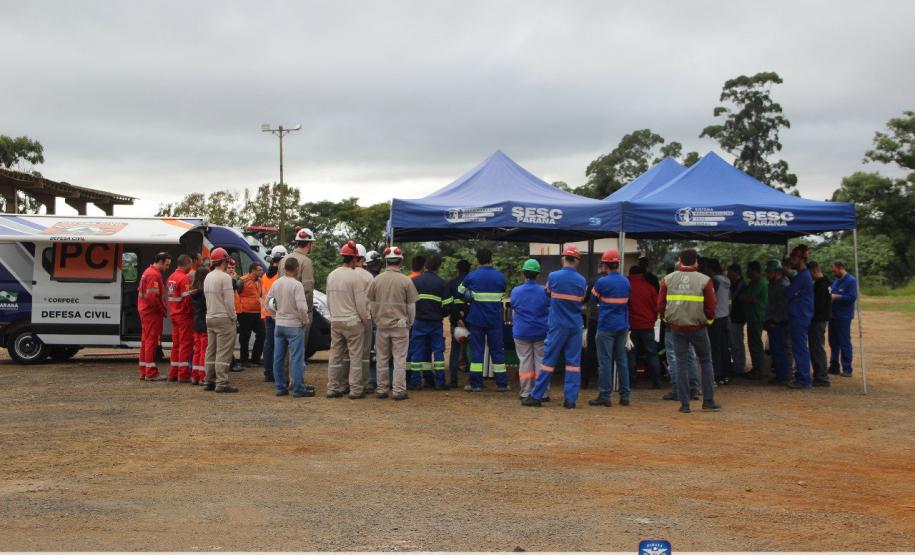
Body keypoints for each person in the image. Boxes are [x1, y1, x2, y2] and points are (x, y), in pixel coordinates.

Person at [658, 248, 721, 413]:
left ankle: (684, 404)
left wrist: (667, 320)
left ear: (679, 260)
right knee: (705, 361)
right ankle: (708, 401)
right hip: (698, 327)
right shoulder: (705, 280)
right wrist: (708, 321)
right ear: (696, 262)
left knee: (680, 364)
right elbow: (711, 305)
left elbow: (660, 305)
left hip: (676, 328)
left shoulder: (667, 279)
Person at [525, 246, 587, 409]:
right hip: (575, 325)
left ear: (563, 259)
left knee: (548, 361)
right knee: (573, 363)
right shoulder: (582, 280)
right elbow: (582, 299)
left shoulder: (553, 276)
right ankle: (570, 400)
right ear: (577, 261)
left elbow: (547, 292)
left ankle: (536, 396)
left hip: (558, 325)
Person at [367, 246, 418, 401]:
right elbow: (411, 307)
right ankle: (398, 391)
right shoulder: (406, 281)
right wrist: (410, 323)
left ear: (387, 261)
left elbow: (370, 303)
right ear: (400, 261)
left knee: (381, 358)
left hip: (382, 325)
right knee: (399, 359)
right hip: (401, 326)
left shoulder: (376, 280)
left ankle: (382, 389)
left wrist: (376, 319)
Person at [325, 240, 370, 399]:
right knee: (355, 357)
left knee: (335, 356)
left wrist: (333, 316)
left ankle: (333, 387)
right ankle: (356, 390)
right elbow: (361, 305)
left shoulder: (332, 275)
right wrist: (365, 322)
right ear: (354, 259)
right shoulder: (355, 277)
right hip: (352, 322)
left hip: (335, 320)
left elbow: (329, 299)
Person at [459, 249, 508, 393]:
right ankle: (502, 384)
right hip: (495, 320)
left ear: (477, 261)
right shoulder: (500, 276)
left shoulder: (472, 276)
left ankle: (476, 384)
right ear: (491, 259)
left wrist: (470, 295)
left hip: (477, 319)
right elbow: (502, 292)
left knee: (477, 351)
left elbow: (460, 291)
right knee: (497, 350)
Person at [266, 256, 314, 398]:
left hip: (279, 325)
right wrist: (304, 320)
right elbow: (301, 306)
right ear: (297, 268)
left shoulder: (277, 283)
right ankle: (298, 388)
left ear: (285, 268)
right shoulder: (297, 285)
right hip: (294, 325)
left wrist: (275, 316)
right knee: (297, 358)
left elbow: (267, 302)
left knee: (278, 357)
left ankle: (280, 387)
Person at [588, 249, 631, 407]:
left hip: (606, 326)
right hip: (622, 326)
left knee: (605, 362)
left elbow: (593, 300)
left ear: (605, 264)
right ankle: (625, 396)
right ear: (618, 264)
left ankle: (605, 396)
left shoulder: (602, 282)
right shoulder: (626, 282)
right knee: (622, 361)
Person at [408, 253, 451, 390]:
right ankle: (440, 382)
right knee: (438, 352)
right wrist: (439, 314)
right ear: (438, 267)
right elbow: (448, 306)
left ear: (425, 266)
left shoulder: (415, 281)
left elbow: (408, 303)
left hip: (418, 322)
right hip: (435, 323)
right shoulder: (442, 283)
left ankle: (415, 382)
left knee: (417, 351)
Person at [509, 259, 550, 402]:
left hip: (522, 332)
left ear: (523, 273)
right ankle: (542, 393)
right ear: (538, 275)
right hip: (541, 332)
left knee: (525, 361)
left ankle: (525, 392)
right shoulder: (544, 291)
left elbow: (513, 307)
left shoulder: (516, 291)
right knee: (541, 361)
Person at [202, 248, 238, 393]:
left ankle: (208, 380)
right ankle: (222, 382)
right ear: (224, 260)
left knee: (211, 350)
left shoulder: (208, 277)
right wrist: (233, 317)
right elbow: (229, 302)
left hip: (210, 317)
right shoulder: (225, 278)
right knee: (223, 351)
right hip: (223, 318)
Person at [627, 264, 662, 389]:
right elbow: (657, 307)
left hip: (631, 326)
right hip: (647, 325)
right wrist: (652, 318)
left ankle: (632, 382)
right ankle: (657, 381)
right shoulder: (650, 288)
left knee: (631, 353)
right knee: (652, 353)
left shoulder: (626, 287)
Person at [784, 246, 815, 389]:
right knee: (799, 347)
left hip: (800, 315)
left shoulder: (802, 276)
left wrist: (792, 294)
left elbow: (788, 292)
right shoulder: (802, 275)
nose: (791, 261)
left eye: (793, 258)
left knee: (800, 348)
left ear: (801, 259)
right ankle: (802, 377)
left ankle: (804, 379)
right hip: (800, 314)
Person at [138, 252, 171, 381]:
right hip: (151, 313)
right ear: (161, 262)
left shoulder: (148, 272)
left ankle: (144, 370)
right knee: (151, 342)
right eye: (167, 265)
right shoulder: (154, 274)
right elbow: (153, 298)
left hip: (146, 311)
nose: (167, 268)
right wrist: (162, 309)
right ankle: (150, 372)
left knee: (146, 341)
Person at [285, 227, 317, 355]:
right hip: (299, 313)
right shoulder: (306, 261)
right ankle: (295, 375)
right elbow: (308, 290)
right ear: (309, 244)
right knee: (297, 351)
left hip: (284, 312)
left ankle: (281, 375)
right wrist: (307, 312)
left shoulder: (284, 259)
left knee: (284, 351)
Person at [166, 254, 194, 383]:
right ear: (187, 264)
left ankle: (173, 373)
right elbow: (187, 299)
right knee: (185, 345)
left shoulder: (171, 277)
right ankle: (183, 374)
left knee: (176, 345)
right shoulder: (184, 279)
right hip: (184, 316)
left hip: (174, 314)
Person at [261, 245, 286, 383]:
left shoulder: (265, 275)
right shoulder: (280, 276)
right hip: (278, 314)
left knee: (268, 344)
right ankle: (278, 373)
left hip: (267, 314)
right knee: (279, 345)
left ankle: (268, 372)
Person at [829, 260, 857, 377]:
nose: (833, 271)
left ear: (841, 268)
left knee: (844, 342)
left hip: (844, 316)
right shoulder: (836, 280)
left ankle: (847, 368)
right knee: (833, 342)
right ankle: (834, 366)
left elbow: (851, 297)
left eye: (834, 269)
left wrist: (836, 297)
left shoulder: (851, 281)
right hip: (832, 316)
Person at [765, 260, 791, 385]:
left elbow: (784, 306)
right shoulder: (772, 284)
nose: (767, 275)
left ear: (776, 272)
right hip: (772, 321)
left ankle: (784, 376)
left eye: (769, 272)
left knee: (781, 349)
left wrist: (776, 320)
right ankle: (781, 374)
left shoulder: (783, 286)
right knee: (776, 349)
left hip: (780, 322)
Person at [741, 261, 768, 379]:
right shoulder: (753, 282)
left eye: (749, 270)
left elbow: (749, 298)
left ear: (753, 270)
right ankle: (756, 368)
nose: (747, 272)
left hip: (758, 316)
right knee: (752, 343)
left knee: (756, 343)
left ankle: (760, 370)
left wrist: (745, 298)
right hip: (752, 317)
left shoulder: (761, 282)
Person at [235, 262, 265, 367]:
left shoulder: (261, 281)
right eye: (259, 270)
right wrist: (238, 310)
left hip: (257, 312)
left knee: (262, 333)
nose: (261, 271)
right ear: (253, 270)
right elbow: (236, 295)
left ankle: (255, 358)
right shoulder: (243, 281)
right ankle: (244, 359)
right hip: (245, 313)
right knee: (244, 337)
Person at [446, 259, 471, 387]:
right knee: (473, 348)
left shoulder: (451, 283)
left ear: (457, 269)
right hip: (472, 321)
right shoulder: (472, 283)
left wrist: (458, 318)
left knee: (455, 349)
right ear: (469, 269)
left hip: (456, 322)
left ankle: (454, 380)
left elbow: (449, 304)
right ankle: (474, 379)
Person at [807, 260, 832, 387]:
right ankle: (820, 374)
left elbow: (818, 304)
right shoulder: (826, 282)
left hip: (818, 320)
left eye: (809, 273)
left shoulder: (821, 285)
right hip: (821, 319)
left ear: (815, 271)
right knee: (817, 347)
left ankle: (822, 376)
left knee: (817, 347)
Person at [707, 259, 731, 385]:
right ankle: (726, 373)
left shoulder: (714, 280)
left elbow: (710, 297)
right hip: (725, 316)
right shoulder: (726, 280)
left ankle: (717, 374)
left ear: (711, 269)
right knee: (723, 346)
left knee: (714, 347)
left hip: (715, 318)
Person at [189, 268, 209, 385]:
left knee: (197, 350)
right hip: (204, 323)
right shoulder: (204, 292)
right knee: (204, 351)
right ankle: (202, 376)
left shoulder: (193, 291)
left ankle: (195, 375)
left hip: (196, 322)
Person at [727, 263, 747, 376]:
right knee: (733, 343)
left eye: (730, 273)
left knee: (737, 343)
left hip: (737, 317)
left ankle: (739, 367)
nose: (728, 275)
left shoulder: (740, 285)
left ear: (736, 273)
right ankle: (737, 365)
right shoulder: (734, 284)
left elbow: (734, 299)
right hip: (734, 316)